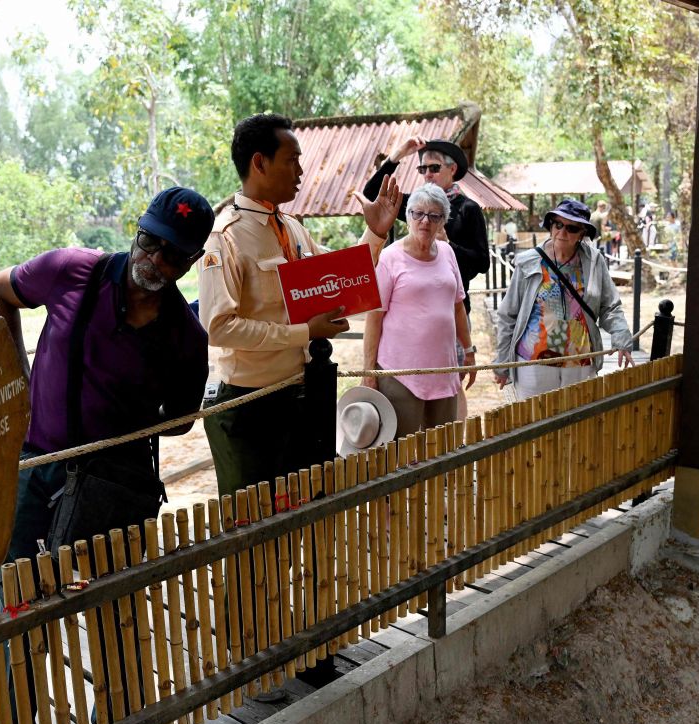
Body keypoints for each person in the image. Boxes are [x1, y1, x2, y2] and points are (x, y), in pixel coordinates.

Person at [0, 185, 214, 724]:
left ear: (191, 262)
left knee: (118, 604)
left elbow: (184, 421)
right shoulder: (70, 273)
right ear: (136, 232)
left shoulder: (187, 338)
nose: (155, 261)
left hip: (117, 487)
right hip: (40, 475)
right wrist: (16, 368)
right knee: (25, 608)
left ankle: (123, 721)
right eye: (149, 242)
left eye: (172, 255)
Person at [199, 113, 401, 499]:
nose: (301, 171)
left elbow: (340, 279)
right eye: (291, 160)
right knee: (255, 533)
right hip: (248, 407)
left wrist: (375, 233)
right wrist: (305, 332)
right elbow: (219, 327)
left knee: (299, 517)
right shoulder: (225, 238)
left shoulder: (292, 228)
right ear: (259, 163)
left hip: (301, 398)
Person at [361, 183, 475, 437]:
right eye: (418, 214)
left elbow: (457, 306)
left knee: (443, 449)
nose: (425, 221)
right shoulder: (391, 257)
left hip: (443, 369)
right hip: (400, 372)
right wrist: (369, 372)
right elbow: (374, 318)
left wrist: (468, 351)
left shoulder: (447, 252)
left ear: (443, 221)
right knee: (402, 450)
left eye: (434, 216)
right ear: (408, 217)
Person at [493, 198, 634, 401]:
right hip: (533, 360)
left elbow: (610, 306)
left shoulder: (594, 261)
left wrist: (622, 338)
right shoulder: (529, 261)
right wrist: (502, 362)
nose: (562, 232)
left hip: (580, 361)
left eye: (571, 228)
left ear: (582, 234)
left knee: (577, 428)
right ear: (551, 226)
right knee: (535, 426)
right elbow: (508, 314)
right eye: (558, 224)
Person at [363, 136, 489, 316]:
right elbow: (371, 192)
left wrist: (449, 246)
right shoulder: (415, 206)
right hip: (413, 309)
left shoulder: (468, 209)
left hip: (452, 311)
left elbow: (482, 263)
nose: (427, 174)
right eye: (423, 168)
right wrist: (397, 156)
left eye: (434, 168)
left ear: (452, 169)